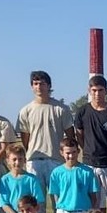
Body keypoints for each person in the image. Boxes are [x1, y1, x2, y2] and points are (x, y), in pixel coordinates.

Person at [17, 70, 75, 199]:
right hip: (34, 161)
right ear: (32, 86)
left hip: (56, 161)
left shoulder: (61, 109)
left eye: (42, 83)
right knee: (37, 201)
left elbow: (70, 136)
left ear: (49, 86)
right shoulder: (25, 111)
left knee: (60, 200)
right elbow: (25, 138)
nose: (39, 87)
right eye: (35, 83)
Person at [75, 75, 107, 213]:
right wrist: (87, 150)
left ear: (106, 91)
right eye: (94, 90)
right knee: (94, 205)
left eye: (100, 90)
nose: (97, 94)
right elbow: (79, 135)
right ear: (89, 90)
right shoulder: (82, 112)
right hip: (89, 165)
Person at [50, 137, 100, 213]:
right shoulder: (56, 172)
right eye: (68, 153)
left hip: (82, 212)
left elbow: (93, 195)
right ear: (62, 153)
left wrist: (90, 212)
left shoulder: (87, 171)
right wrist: (60, 207)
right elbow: (55, 195)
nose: (71, 156)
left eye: (73, 152)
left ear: (78, 151)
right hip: (63, 212)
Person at [0, 144, 45, 213]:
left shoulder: (31, 179)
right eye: (14, 159)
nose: (17, 162)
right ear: (8, 160)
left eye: (20, 159)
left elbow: (38, 201)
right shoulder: (5, 180)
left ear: (24, 160)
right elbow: (4, 204)